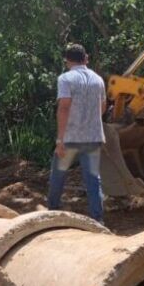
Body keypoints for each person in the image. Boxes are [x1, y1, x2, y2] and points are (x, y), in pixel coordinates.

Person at [47, 44, 107, 223]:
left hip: (71, 138)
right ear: (86, 58)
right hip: (93, 137)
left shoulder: (65, 79)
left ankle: (52, 212)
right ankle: (98, 220)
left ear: (67, 60)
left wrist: (60, 139)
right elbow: (102, 107)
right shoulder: (98, 79)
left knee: (58, 175)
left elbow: (64, 107)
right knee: (93, 180)